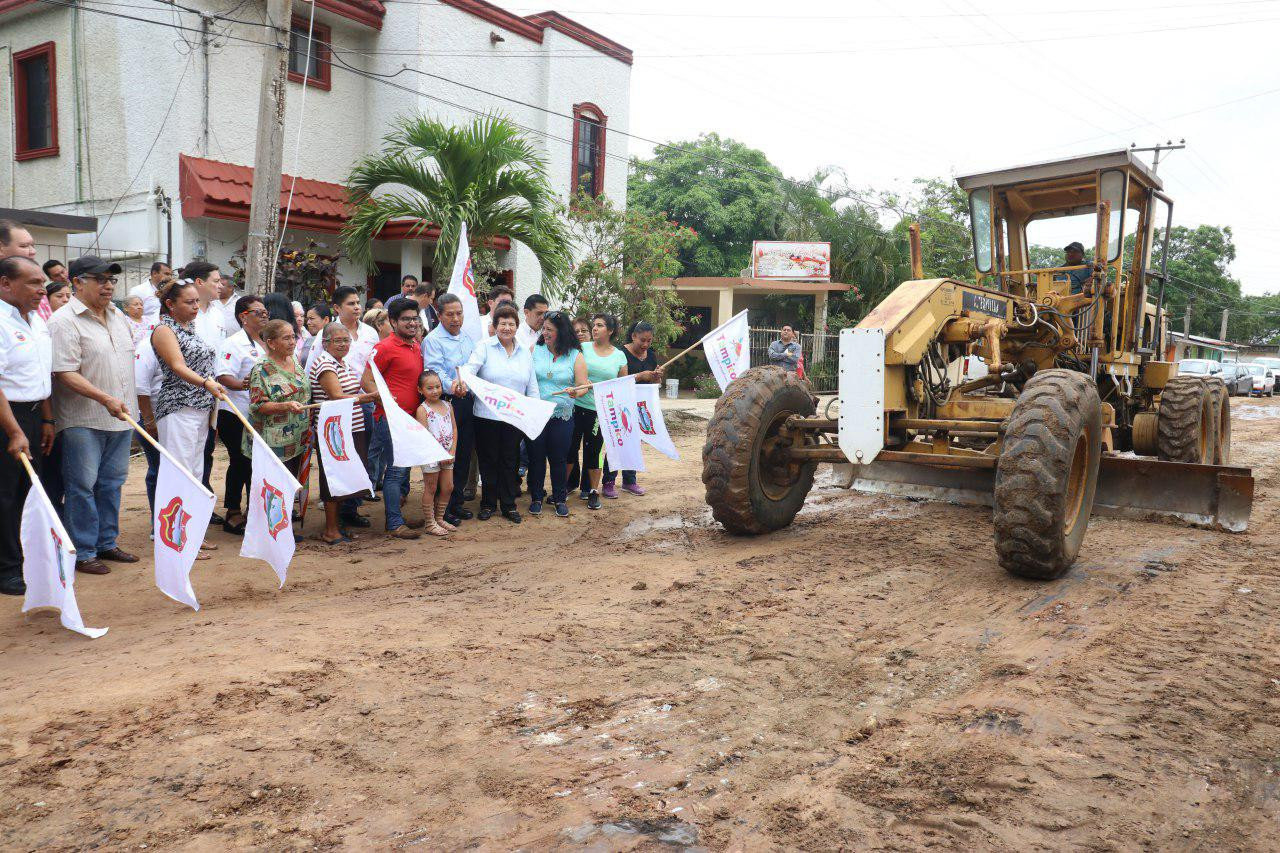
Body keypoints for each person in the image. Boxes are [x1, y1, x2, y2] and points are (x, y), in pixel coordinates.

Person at [48, 255, 138, 575]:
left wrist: (122, 403)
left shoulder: (118, 315)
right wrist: (104, 398)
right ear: (77, 282)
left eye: (111, 280)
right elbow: (64, 372)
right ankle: (84, 550)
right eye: (100, 279)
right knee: (82, 486)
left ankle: (106, 542)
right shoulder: (63, 321)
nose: (108, 285)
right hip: (82, 419)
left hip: (121, 416)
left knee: (112, 483)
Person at [0, 256, 54, 596]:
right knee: (5, 495)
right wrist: (15, 431)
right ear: (6, 284)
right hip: (8, 417)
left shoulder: (36, 320)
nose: (42, 290)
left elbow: (40, 373)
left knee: (28, 492)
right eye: (34, 283)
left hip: (35, 414)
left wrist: (46, 418)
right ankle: (7, 569)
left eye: (43, 283)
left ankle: (24, 562)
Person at [465, 302, 537, 524]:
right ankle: (488, 504)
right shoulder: (484, 347)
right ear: (495, 326)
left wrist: (533, 409)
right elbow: (470, 371)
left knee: (510, 460)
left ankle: (508, 505)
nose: (507, 328)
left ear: (517, 326)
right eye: (503, 323)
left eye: (511, 324)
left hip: (514, 417)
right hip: (486, 416)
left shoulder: (524, 352)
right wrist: (463, 381)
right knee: (488, 461)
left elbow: (532, 384)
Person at [362, 297, 425, 539]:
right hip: (390, 420)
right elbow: (366, 380)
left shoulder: (415, 345)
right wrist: (385, 403)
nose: (412, 323)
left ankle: (397, 515)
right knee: (396, 471)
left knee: (404, 470)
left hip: (410, 420)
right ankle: (394, 523)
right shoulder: (384, 347)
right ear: (393, 321)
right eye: (406, 319)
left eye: (415, 318)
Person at [310, 322, 378, 544]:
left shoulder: (342, 362)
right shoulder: (325, 363)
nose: (343, 344)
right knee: (334, 476)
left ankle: (337, 525)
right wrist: (367, 398)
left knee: (346, 475)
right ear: (325, 343)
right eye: (337, 341)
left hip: (350, 427)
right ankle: (331, 530)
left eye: (346, 340)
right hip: (335, 431)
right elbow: (336, 396)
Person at [150, 279, 223, 480]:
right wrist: (206, 383)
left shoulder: (190, 328)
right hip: (179, 405)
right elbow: (177, 365)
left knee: (196, 471)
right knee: (180, 472)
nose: (196, 306)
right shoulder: (164, 329)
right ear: (170, 304)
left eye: (197, 301)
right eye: (189, 302)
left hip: (202, 406)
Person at [422, 292, 476, 527]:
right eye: (450, 314)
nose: (456, 319)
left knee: (462, 452)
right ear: (440, 315)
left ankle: (456, 503)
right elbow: (435, 371)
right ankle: (440, 510)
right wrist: (453, 386)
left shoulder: (467, 338)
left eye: (459, 313)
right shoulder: (433, 340)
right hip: (444, 402)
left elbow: (472, 367)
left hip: (466, 401)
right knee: (444, 454)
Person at [214, 295, 267, 534]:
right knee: (240, 462)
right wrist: (244, 384)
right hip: (236, 413)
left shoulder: (266, 341)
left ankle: (254, 510)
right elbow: (223, 376)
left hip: (261, 414)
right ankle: (233, 513)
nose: (264, 315)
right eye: (258, 312)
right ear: (243, 317)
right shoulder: (233, 343)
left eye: (265, 312)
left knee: (257, 464)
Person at [528, 311, 586, 518]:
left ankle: (560, 499)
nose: (545, 333)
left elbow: (583, 386)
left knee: (558, 459)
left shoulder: (576, 355)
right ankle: (536, 498)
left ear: (561, 331)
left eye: (549, 330)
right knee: (536, 458)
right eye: (543, 329)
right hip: (537, 414)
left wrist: (575, 392)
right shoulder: (535, 350)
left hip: (562, 415)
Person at [603, 320, 665, 497]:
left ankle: (629, 481)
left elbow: (653, 383)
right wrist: (639, 376)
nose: (645, 344)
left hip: (640, 406)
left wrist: (656, 377)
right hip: (620, 405)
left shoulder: (650, 356)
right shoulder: (620, 354)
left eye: (649, 341)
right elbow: (616, 380)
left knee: (634, 443)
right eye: (642, 340)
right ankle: (608, 482)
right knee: (617, 442)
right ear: (633, 336)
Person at [572, 313, 628, 509]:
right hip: (576, 406)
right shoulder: (582, 348)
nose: (594, 328)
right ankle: (563, 489)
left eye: (600, 325)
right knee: (570, 449)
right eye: (594, 325)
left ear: (610, 331)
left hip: (600, 412)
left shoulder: (619, 356)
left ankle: (593, 491)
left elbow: (622, 386)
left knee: (594, 451)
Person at [182, 261, 225, 514]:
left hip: (212, 392)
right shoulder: (184, 314)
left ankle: (201, 509)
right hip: (186, 393)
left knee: (205, 451)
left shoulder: (218, 313)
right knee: (183, 458)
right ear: (199, 282)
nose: (220, 285)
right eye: (216, 281)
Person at [244, 319, 309, 476]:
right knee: (276, 484)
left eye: (293, 337)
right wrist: (286, 406)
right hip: (273, 442)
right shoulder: (261, 369)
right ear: (271, 343)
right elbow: (258, 405)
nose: (292, 342)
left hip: (297, 437)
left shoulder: (294, 359)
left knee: (293, 481)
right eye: (286, 338)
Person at [414, 370, 457, 536]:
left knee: (448, 487)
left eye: (438, 386)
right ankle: (429, 522)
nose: (435, 391)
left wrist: (452, 451)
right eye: (429, 388)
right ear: (420, 390)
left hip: (448, 455)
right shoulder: (422, 410)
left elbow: (454, 429)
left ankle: (439, 518)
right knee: (431, 487)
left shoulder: (448, 406)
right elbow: (424, 436)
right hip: (431, 456)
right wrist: (439, 455)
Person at [301, 302, 332, 367]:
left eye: (312, 318)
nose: (308, 322)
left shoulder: (334, 340)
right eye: (307, 319)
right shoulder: (309, 340)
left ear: (326, 320)